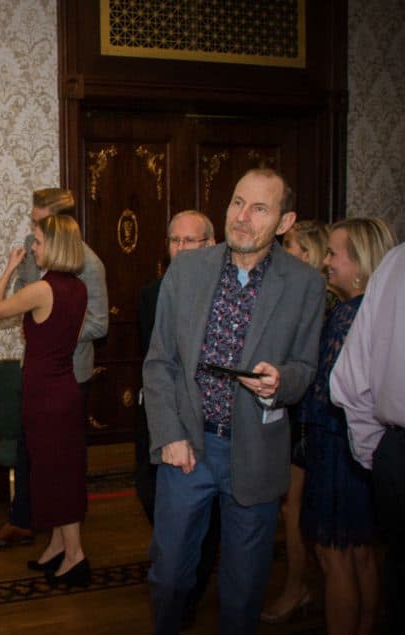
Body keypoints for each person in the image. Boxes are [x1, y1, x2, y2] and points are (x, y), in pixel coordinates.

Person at [143, 168, 326, 635]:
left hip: (256, 453)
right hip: (188, 447)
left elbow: (305, 368)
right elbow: (159, 361)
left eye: (259, 208)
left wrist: (281, 381)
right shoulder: (187, 270)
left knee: (244, 591)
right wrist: (169, 434)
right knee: (168, 576)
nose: (242, 217)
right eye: (237, 203)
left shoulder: (305, 284)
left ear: (285, 222)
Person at [0, 187, 108, 549]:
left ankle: (64, 542)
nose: (31, 235)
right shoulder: (40, 258)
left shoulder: (90, 266)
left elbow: (98, 323)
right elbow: (27, 292)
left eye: (38, 225)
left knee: (61, 462)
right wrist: (38, 318)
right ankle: (29, 523)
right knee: (32, 454)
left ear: (59, 225)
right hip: (38, 371)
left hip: (69, 373)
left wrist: (55, 329)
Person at [299, 217, 396, 635]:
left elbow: (329, 393)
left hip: (338, 449)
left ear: (359, 265)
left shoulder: (346, 316)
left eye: (333, 254)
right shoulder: (375, 311)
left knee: (334, 556)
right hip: (365, 450)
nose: (325, 262)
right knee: (362, 554)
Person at [134, 210, 218, 629]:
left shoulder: (223, 295)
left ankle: (191, 591)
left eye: (190, 241)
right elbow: (154, 360)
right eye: (174, 241)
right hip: (157, 415)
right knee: (150, 496)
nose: (181, 249)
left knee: (206, 519)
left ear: (210, 245)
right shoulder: (151, 293)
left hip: (204, 427)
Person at [331, 241, 405, 634]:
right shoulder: (395, 262)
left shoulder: (395, 262)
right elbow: (351, 380)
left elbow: (349, 380)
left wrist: (374, 453)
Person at [260, 219, 332, 624]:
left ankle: (298, 587)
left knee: (295, 508)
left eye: (287, 245)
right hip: (298, 410)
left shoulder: (319, 298)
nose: (282, 253)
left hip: (308, 415)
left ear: (307, 253)